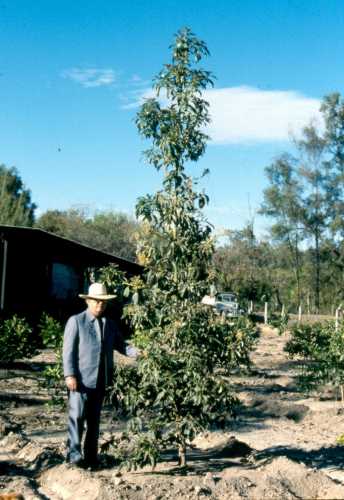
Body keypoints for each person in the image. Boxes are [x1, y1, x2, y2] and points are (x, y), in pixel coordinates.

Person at [63, 282, 133, 469]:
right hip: (81, 381)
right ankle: (74, 456)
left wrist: (140, 352)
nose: (99, 305)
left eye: (103, 302)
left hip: (101, 382)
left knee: (94, 422)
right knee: (77, 417)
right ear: (88, 301)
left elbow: (122, 346)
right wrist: (69, 375)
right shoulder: (76, 321)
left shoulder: (109, 325)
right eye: (96, 301)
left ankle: (91, 457)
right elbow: (68, 351)